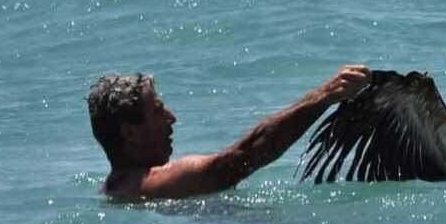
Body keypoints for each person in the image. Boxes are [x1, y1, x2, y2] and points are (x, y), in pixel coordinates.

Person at [87, 66, 371, 200]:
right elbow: (242, 157)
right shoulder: (155, 182)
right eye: (158, 112)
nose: (172, 118)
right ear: (130, 133)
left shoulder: (114, 189)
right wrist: (322, 97)